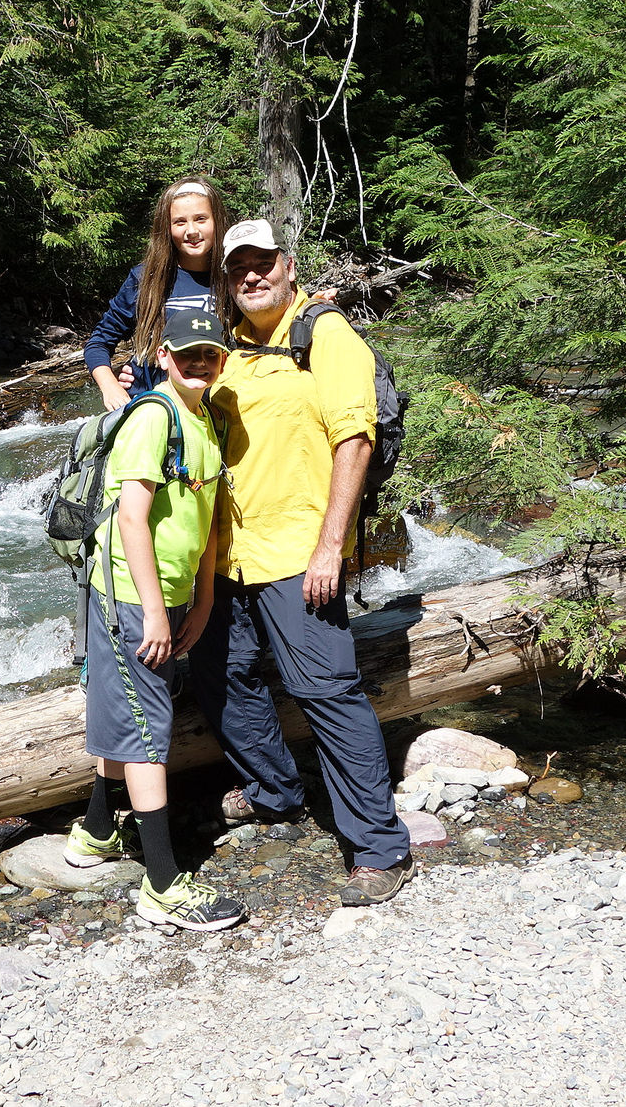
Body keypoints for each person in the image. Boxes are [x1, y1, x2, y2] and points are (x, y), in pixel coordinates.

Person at [192, 218, 415, 908]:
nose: (252, 276)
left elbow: (356, 438)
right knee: (218, 672)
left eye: (263, 263)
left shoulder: (325, 334)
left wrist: (330, 545)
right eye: (239, 269)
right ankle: (275, 791)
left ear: (288, 267)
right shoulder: (234, 351)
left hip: (299, 555)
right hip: (231, 557)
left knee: (326, 691)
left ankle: (380, 848)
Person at [63, 310, 247, 932]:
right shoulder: (153, 415)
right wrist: (152, 613)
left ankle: (95, 833)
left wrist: (199, 602)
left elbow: (204, 526)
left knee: (127, 712)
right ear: (164, 355)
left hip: (167, 596)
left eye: (211, 355)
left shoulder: (205, 423)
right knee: (148, 729)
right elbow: (131, 521)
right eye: (188, 354)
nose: (200, 364)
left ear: (222, 360)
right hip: (129, 597)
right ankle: (163, 884)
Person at [84, 177, 232, 411]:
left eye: (201, 219)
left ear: (217, 221)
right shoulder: (145, 280)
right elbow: (99, 342)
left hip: (211, 413)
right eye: (179, 222)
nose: (191, 231)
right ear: (167, 228)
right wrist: (111, 387)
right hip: (150, 409)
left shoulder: (234, 279)